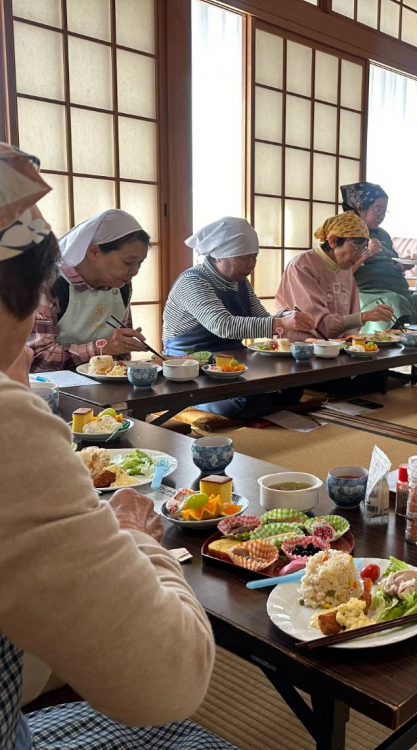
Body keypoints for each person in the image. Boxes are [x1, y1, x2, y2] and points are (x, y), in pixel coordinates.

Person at [0, 143, 232, 749]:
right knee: (197, 737)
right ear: (25, 293)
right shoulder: (8, 426)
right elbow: (167, 683)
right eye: (126, 263)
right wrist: (132, 539)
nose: (130, 276)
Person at [162, 217, 314, 419]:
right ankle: (187, 399)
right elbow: (223, 325)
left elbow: (262, 318)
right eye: (244, 258)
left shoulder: (241, 282)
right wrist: (281, 323)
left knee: (292, 391)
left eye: (254, 257)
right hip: (190, 359)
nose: (251, 264)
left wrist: (287, 316)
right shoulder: (192, 281)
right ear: (219, 257)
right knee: (247, 403)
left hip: (230, 359)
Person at [29, 209, 150, 372]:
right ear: (94, 251)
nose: (135, 271)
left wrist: (123, 345)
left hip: (103, 388)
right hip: (52, 389)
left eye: (140, 263)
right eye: (128, 262)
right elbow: (39, 357)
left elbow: (121, 356)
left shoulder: (121, 286)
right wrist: (103, 349)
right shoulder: (51, 285)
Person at [276, 213, 393, 340]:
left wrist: (351, 343)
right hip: (300, 348)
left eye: (364, 249)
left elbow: (352, 318)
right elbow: (318, 326)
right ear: (333, 241)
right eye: (356, 247)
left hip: (337, 346)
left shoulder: (345, 268)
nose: (360, 255)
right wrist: (364, 317)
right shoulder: (302, 266)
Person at [341, 182, 417, 330]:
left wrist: (401, 266)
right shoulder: (348, 234)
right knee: (395, 303)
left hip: (397, 288)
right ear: (360, 208)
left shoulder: (383, 234)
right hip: (368, 291)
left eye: (384, 211)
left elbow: (391, 264)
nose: (381, 216)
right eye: (377, 209)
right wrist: (366, 253)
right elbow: (340, 274)